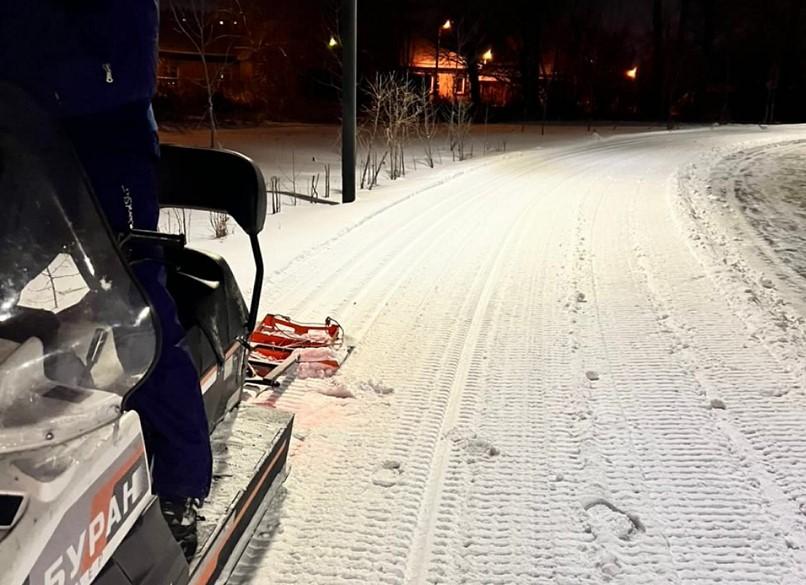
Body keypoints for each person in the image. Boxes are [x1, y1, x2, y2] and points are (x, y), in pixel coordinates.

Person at [0, 0, 212, 560]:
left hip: (107, 141)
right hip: (21, 141)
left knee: (136, 301)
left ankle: (180, 483)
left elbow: (121, 65)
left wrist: (30, 75)